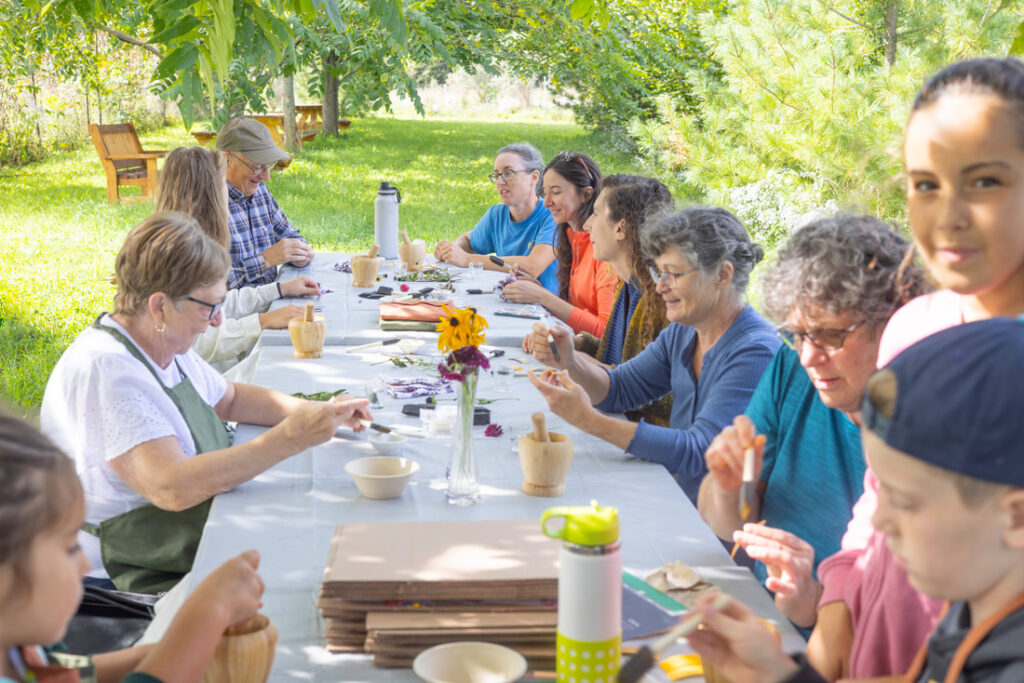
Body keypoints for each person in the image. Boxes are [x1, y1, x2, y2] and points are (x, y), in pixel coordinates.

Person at [814, 57, 1024, 680]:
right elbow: (880, 496)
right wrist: (835, 605)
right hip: (886, 638)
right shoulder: (914, 325)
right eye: (925, 184)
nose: (947, 216)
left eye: (984, 182)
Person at [40, 213, 371, 594]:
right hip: (122, 565)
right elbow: (172, 487)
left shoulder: (161, 340)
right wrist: (291, 439)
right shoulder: (110, 372)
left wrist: (316, 411)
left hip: (174, 532)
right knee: (302, 568)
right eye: (208, 308)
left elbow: (229, 398)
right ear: (159, 305)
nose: (216, 322)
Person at [687, 319, 1024, 683]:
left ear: (1016, 517)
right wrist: (780, 675)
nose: (877, 521)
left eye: (906, 500)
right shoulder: (975, 605)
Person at [695, 215, 929, 639]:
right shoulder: (792, 369)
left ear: (894, 321)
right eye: (797, 334)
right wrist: (730, 487)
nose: (808, 356)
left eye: (830, 336)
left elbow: (923, 628)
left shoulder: (931, 429)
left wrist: (813, 602)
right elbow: (731, 518)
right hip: (772, 622)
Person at [525, 207, 779, 501]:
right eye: (659, 272)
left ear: (722, 275)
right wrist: (570, 361)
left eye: (672, 274)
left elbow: (701, 451)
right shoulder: (685, 331)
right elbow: (620, 389)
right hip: (682, 499)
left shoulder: (755, 352)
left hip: (725, 532)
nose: (659, 286)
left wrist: (589, 421)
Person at [0, 412, 267, 683]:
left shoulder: (18, 646)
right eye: (70, 548)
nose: (84, 565)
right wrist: (207, 612)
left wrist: (174, 651)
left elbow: (67, 675)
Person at [524, 174, 675, 426]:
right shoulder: (629, 284)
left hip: (640, 437)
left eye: (595, 214)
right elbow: (619, 352)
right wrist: (577, 343)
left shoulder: (662, 300)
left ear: (620, 227)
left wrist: (571, 359)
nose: (587, 225)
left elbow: (641, 389)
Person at [157, 146, 320, 374]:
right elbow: (197, 344)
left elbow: (220, 304)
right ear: (208, 194)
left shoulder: (194, 241)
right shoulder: (180, 255)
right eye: (222, 184)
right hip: (209, 377)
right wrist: (261, 322)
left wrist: (279, 290)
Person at [500, 151, 618, 336]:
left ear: (586, 194)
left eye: (556, 192)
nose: (546, 202)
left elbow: (606, 332)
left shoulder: (605, 252)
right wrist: (536, 292)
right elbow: (576, 310)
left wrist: (543, 297)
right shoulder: (570, 239)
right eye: (545, 193)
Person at [433, 143, 558, 292]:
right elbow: (469, 241)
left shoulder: (552, 216)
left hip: (545, 310)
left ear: (534, 177)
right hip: (511, 301)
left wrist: (468, 260)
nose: (500, 181)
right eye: (497, 175)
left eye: (508, 173)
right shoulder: (497, 214)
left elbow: (532, 266)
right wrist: (451, 249)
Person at [216, 117, 313, 289]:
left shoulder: (260, 192)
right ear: (227, 159)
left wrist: (301, 252)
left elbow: (290, 235)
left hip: (273, 297)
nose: (266, 177)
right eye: (257, 167)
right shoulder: (209, 203)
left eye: (269, 166)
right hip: (236, 312)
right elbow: (211, 285)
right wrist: (266, 259)